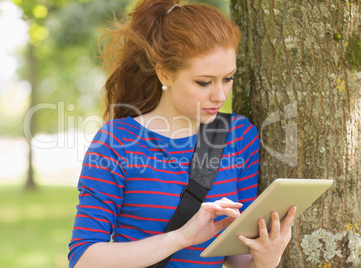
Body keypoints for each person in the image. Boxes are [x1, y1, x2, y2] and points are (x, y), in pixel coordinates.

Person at [68, 0, 296, 267]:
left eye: (228, 78)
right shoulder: (116, 141)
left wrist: (264, 259)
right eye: (204, 82)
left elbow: (238, 256)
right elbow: (83, 258)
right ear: (165, 74)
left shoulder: (239, 136)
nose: (220, 95)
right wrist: (181, 238)